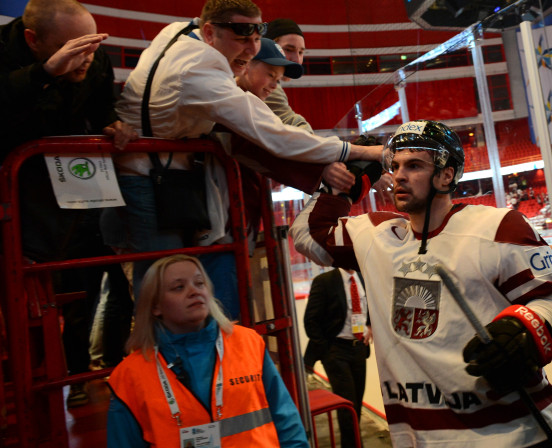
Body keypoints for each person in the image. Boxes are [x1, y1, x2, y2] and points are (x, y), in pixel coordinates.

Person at [290, 120, 552, 447]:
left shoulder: (499, 227)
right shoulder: (376, 235)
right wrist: (345, 184)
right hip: (419, 440)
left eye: (414, 165)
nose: (399, 175)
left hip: (517, 436)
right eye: (395, 165)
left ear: (447, 174)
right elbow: (306, 236)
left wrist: (526, 331)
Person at [111, 0, 381, 307]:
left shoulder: (181, 33)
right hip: (165, 193)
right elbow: (274, 135)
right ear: (210, 32)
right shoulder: (204, 76)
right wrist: (350, 154)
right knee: (165, 295)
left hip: (173, 191)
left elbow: (279, 129)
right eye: (242, 38)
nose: (251, 49)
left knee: (167, 290)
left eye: (257, 35)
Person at [0, 0, 137, 407]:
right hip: (15, 203)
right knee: (22, 308)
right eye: (73, 49)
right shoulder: (6, 57)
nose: (86, 59)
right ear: (32, 40)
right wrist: (44, 75)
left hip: (76, 199)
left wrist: (113, 123)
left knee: (81, 291)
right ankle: (24, 396)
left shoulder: (95, 61)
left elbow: (100, 108)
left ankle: (74, 379)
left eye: (91, 47)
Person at [107, 254, 308, 448]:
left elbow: (285, 419)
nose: (194, 291)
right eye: (179, 287)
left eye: (200, 283)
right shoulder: (129, 376)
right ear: (155, 306)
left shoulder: (249, 343)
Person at [303, 268, 371, 448]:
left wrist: (369, 327)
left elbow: (371, 306)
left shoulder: (363, 276)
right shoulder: (325, 281)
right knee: (347, 408)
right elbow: (310, 320)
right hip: (336, 350)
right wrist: (326, 349)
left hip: (358, 348)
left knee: (355, 407)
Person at [264, 18, 312, 132]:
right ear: (268, 48)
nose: (297, 59)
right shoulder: (265, 83)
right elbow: (292, 125)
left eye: (301, 52)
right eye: (289, 50)